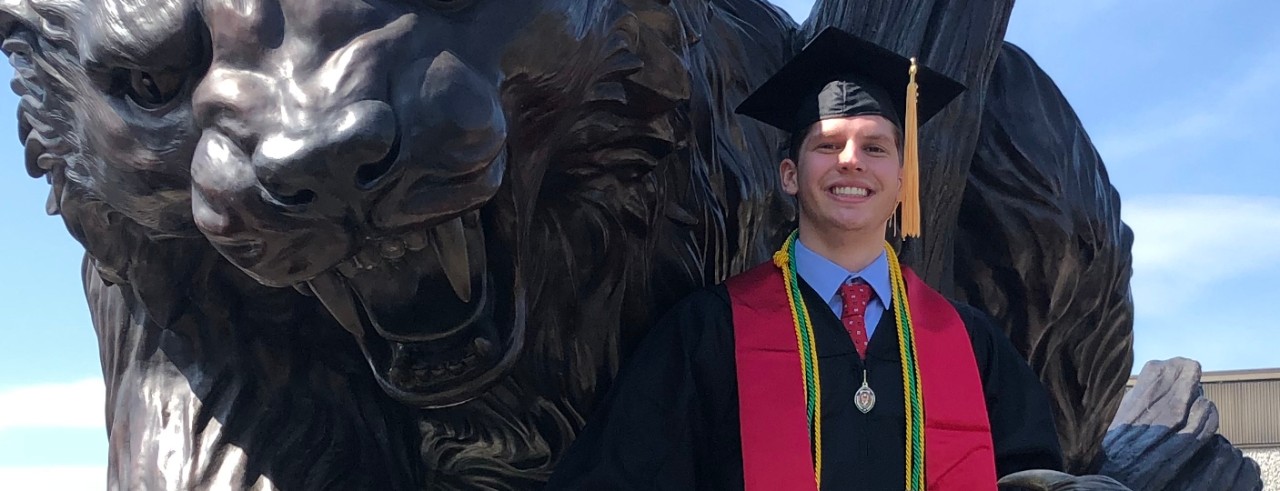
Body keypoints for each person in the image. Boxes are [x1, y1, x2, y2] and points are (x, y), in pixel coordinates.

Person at [546, 27, 1064, 490]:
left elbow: (1032, 475)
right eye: (828, 145)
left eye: (876, 148)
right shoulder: (709, 332)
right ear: (790, 175)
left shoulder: (972, 344)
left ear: (903, 181)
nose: (852, 161)